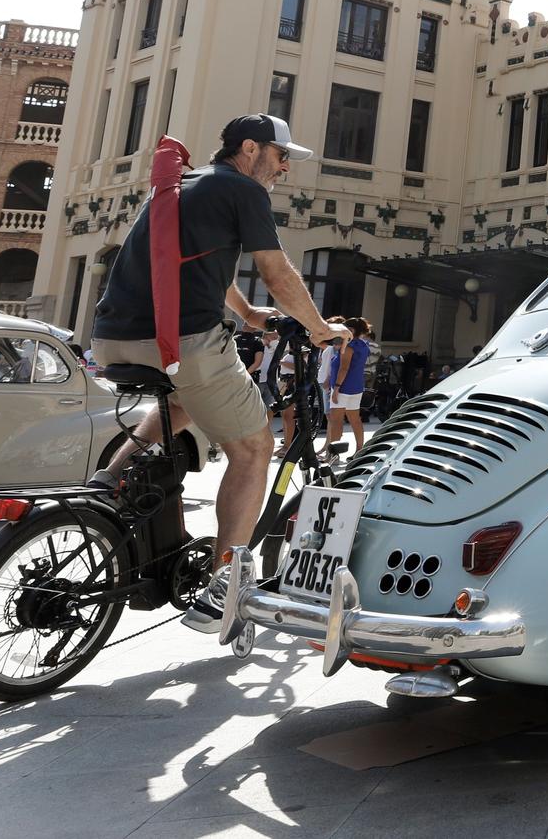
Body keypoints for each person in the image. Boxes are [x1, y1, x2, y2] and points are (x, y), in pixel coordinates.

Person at [89, 114, 348, 631]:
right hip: (182, 340)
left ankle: (105, 487)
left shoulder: (183, 183)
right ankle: (224, 588)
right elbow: (276, 273)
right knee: (253, 449)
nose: (283, 170)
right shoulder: (242, 190)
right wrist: (319, 328)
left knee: (184, 402)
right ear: (250, 149)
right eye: (280, 157)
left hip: (113, 335)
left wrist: (248, 315)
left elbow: (197, 263)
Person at [325, 316, 370, 454]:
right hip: (356, 387)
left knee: (336, 422)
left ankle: (334, 455)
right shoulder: (363, 344)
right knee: (355, 419)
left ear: (351, 330)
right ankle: (359, 450)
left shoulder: (349, 345)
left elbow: (344, 368)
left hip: (343, 387)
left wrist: (337, 388)